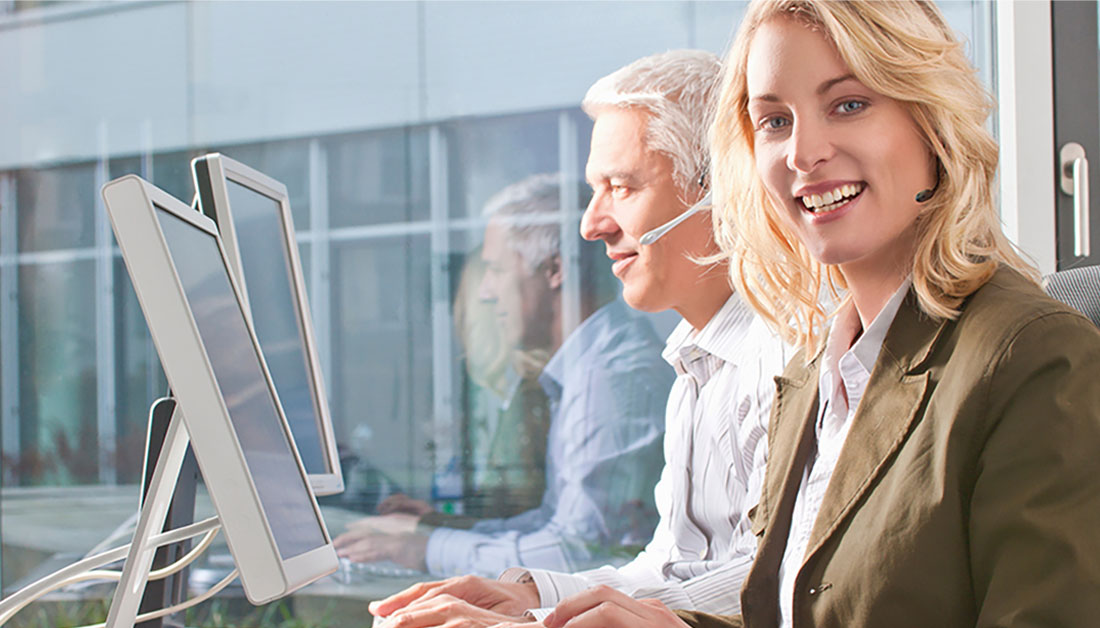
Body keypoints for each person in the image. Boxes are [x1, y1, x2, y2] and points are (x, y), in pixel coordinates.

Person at [530, 1, 1100, 627]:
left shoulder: (1036, 357)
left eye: (848, 105)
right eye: (775, 121)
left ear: (933, 122)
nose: (803, 153)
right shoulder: (812, 373)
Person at [366, 49, 790, 627]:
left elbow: (777, 584)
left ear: (720, 186)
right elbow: (672, 566)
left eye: (621, 187)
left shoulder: (787, 355)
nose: (591, 225)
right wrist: (530, 593)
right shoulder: (696, 360)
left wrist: (537, 621)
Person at [333, 173, 673, 579]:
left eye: (495, 270)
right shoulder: (587, 370)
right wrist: (437, 528)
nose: (485, 292)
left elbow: (580, 553)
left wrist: (423, 548)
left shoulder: (611, 381)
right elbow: (552, 525)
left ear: (554, 270)